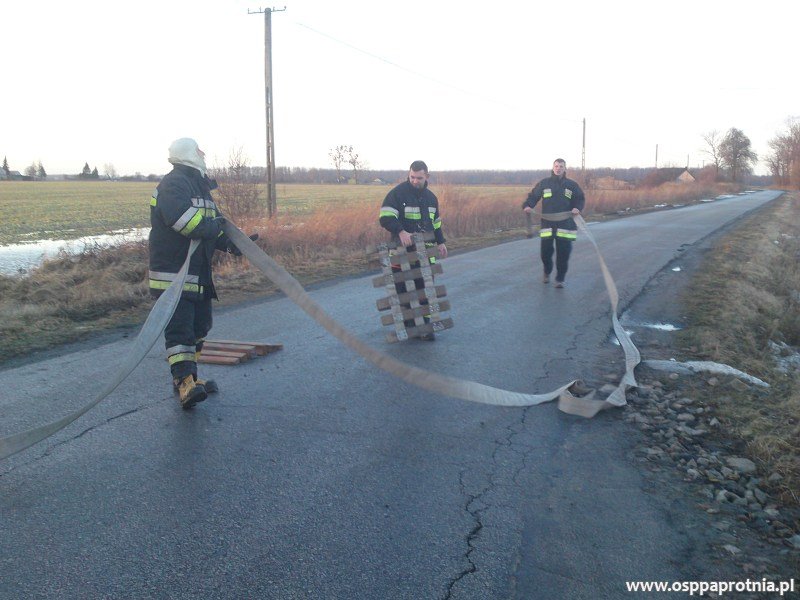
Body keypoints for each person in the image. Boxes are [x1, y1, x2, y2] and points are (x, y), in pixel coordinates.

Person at [148, 138, 253, 408]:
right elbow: (186, 222)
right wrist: (213, 225)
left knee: (199, 328)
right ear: (188, 155)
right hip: (174, 276)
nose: (203, 154)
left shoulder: (199, 186)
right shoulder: (174, 184)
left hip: (197, 275)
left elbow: (212, 228)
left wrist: (235, 244)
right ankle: (183, 383)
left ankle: (191, 379)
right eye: (199, 150)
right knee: (180, 332)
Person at [379, 160, 447, 341]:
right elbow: (385, 217)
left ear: (427, 177)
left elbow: (436, 224)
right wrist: (400, 230)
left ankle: (425, 327)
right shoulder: (397, 194)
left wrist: (441, 242)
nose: (415, 181)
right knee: (403, 293)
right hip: (401, 255)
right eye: (412, 177)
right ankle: (408, 326)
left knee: (426, 292)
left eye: (419, 178)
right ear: (408, 175)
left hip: (426, 254)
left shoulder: (432, 198)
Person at [522, 158, 585, 288]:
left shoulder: (571, 185)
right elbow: (533, 196)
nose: (558, 168)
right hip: (547, 225)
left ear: (565, 168)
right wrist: (528, 205)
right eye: (556, 166)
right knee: (545, 253)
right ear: (553, 167)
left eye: (561, 166)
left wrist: (577, 208)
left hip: (565, 225)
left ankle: (560, 279)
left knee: (563, 254)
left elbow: (580, 198)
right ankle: (547, 271)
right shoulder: (544, 183)